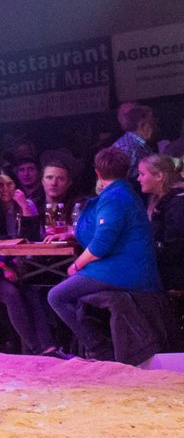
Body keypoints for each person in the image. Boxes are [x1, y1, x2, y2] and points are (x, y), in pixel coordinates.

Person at [46, 148, 162, 359]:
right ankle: (98, 346)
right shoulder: (123, 193)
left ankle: (99, 349)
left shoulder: (115, 197)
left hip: (124, 271)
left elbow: (101, 245)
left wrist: (76, 266)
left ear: (97, 173)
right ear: (127, 172)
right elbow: (108, 231)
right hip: (120, 268)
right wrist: (72, 233)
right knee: (71, 294)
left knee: (56, 296)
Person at [0, 165, 61, 357]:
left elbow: (9, 241)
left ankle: (49, 346)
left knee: (30, 290)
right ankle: (36, 348)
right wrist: (3, 266)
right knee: (12, 293)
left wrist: (7, 264)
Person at [139, 154, 184, 291]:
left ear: (159, 176)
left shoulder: (177, 203)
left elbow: (175, 246)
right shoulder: (157, 200)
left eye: (142, 174)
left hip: (174, 275)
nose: (138, 179)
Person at [109, 103, 155, 180]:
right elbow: (118, 180)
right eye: (152, 124)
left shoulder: (140, 144)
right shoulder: (127, 147)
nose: (154, 128)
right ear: (142, 125)